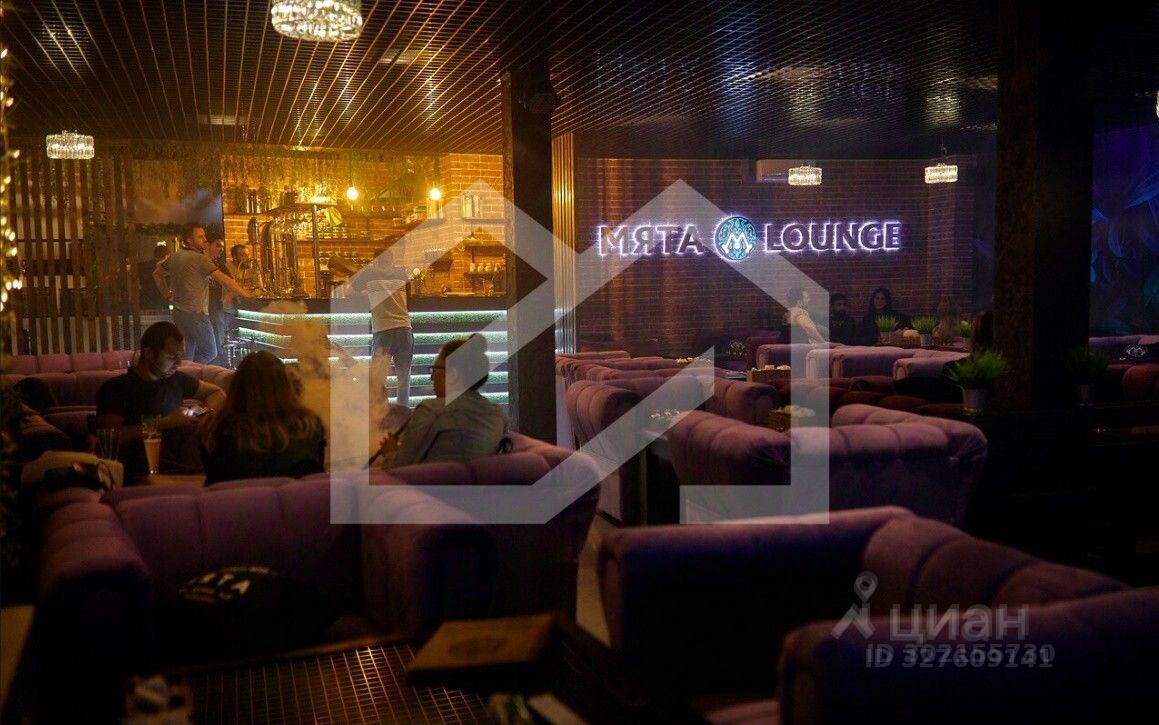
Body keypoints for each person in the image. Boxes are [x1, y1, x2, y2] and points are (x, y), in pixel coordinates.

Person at [95, 321, 226, 479]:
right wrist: (165, 422)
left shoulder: (176, 380)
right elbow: (109, 437)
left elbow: (216, 392)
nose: (178, 363)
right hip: (137, 473)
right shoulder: (117, 388)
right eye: (172, 356)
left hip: (184, 468)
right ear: (149, 353)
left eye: (180, 356)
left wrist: (203, 414)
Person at [377, 334, 509, 468]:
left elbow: (399, 468)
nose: (432, 377)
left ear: (453, 375)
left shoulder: (430, 411)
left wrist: (390, 452)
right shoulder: (499, 416)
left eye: (436, 370)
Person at [198, 351, 325, 485]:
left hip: (234, 497)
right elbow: (315, 474)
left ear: (237, 384)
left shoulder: (213, 427)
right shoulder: (309, 424)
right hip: (299, 497)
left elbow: (213, 476)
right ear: (285, 384)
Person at [153, 222, 252, 364]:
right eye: (200, 237)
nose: (205, 239)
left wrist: (166, 294)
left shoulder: (175, 256)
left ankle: (185, 374)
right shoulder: (200, 258)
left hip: (179, 313)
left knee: (187, 354)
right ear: (189, 240)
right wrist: (246, 294)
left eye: (204, 236)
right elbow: (223, 279)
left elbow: (157, 274)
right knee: (210, 351)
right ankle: (190, 371)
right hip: (197, 314)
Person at [351, 247, 413, 406]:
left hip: (383, 330)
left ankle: (379, 412)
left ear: (376, 260)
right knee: (403, 378)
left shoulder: (369, 273)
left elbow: (349, 291)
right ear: (392, 259)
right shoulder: (402, 273)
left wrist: (368, 293)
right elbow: (409, 297)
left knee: (378, 379)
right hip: (404, 328)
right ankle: (403, 413)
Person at [205, 236, 232, 366]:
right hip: (199, 309)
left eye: (222, 247)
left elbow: (232, 283)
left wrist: (228, 294)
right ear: (208, 245)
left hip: (215, 308)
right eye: (218, 245)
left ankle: (218, 368)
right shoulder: (199, 263)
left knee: (217, 340)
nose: (221, 249)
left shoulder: (220, 267)